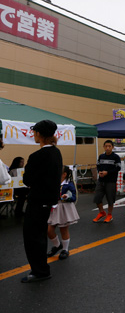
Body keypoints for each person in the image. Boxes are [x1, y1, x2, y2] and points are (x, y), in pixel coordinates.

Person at [21, 120, 63, 283]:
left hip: (38, 200)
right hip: (49, 199)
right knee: (39, 235)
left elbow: (27, 180)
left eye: (35, 132)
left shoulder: (37, 156)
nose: (33, 135)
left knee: (32, 237)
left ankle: (40, 271)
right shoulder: (56, 152)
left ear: (39, 134)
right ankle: (41, 269)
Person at [47, 166, 79, 260]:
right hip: (54, 207)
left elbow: (73, 197)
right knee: (49, 230)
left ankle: (65, 249)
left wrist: (67, 197)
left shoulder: (69, 184)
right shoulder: (53, 182)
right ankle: (57, 245)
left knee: (63, 230)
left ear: (64, 174)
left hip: (64, 207)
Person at [93, 140, 121, 223]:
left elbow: (118, 168)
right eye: (106, 146)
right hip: (101, 180)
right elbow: (98, 165)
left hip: (111, 181)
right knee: (97, 198)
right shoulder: (101, 156)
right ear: (104, 147)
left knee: (110, 199)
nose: (107, 148)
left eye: (109, 146)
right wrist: (100, 172)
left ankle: (109, 214)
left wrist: (107, 172)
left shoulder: (116, 157)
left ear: (112, 147)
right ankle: (102, 212)